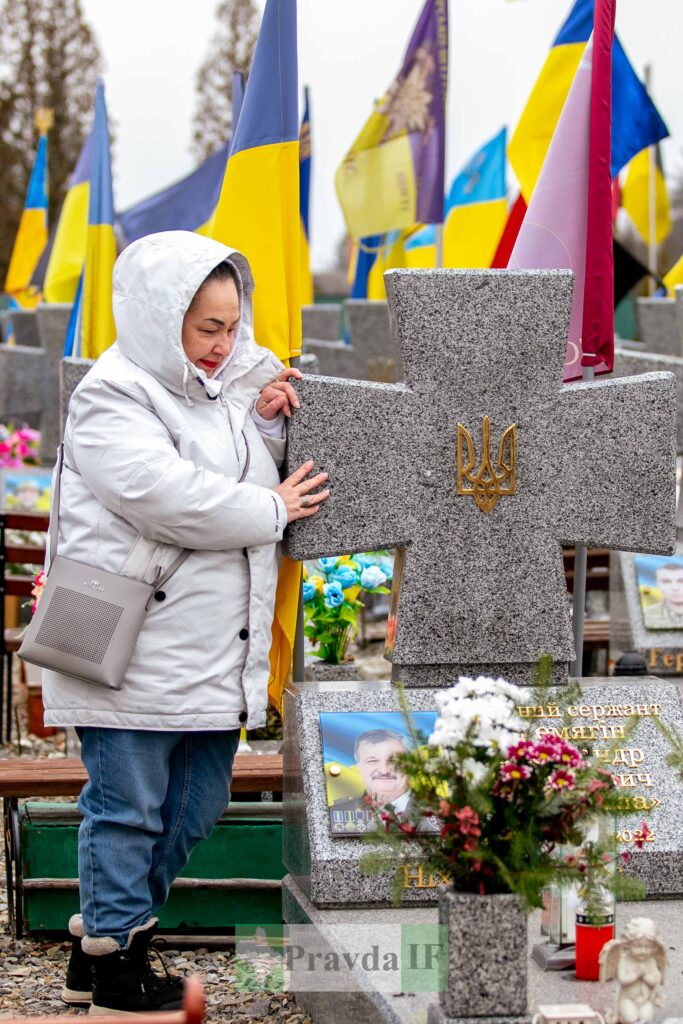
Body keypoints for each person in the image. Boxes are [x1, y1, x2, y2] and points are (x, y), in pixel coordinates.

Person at [40, 230, 329, 1015]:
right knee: (127, 808)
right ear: (160, 315)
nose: (224, 344)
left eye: (232, 326)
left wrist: (266, 424)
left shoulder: (223, 391)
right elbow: (164, 496)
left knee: (196, 805)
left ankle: (100, 935)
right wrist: (270, 508)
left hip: (208, 648)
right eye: (207, 327)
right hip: (130, 645)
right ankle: (117, 965)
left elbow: (228, 467)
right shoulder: (113, 394)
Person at [642, 560, 683, 629]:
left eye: (681, 581)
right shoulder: (647, 615)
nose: (675, 588)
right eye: (666, 582)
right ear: (657, 584)